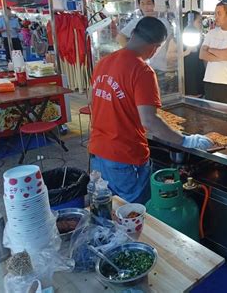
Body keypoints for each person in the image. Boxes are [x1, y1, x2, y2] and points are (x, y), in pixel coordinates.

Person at [89, 17, 212, 204]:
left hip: (98, 154)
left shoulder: (103, 63)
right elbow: (149, 121)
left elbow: (95, 102)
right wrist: (185, 141)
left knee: (109, 211)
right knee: (133, 217)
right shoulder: (142, 70)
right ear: (155, 47)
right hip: (125, 159)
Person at [116, 0, 176, 94]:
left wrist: (171, 64)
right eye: (142, 4)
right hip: (144, 66)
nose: (146, 7)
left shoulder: (163, 22)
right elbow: (120, 37)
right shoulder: (136, 22)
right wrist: (133, 56)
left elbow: (170, 42)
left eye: (149, 3)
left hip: (162, 66)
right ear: (139, 6)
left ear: (154, 4)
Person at [182, 11, 205, 96]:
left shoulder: (200, 39)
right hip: (187, 81)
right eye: (199, 22)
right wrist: (186, 52)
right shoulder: (179, 39)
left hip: (199, 78)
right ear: (190, 22)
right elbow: (171, 58)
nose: (201, 25)